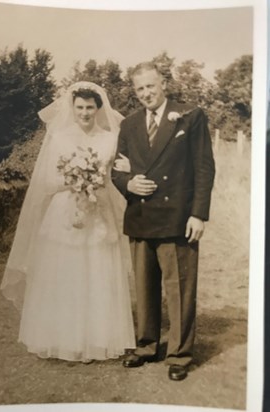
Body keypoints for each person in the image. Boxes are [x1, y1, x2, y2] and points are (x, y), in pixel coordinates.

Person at [1, 81, 135, 362]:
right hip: (65, 210)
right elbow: (48, 181)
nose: (85, 113)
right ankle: (61, 336)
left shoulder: (110, 138)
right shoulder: (60, 137)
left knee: (97, 269)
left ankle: (98, 336)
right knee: (65, 271)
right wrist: (75, 179)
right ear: (72, 109)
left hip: (99, 209)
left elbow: (116, 176)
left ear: (98, 109)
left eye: (90, 107)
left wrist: (100, 179)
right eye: (80, 107)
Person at [112, 62, 215, 380]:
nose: (146, 93)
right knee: (144, 287)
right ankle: (146, 346)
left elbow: (204, 167)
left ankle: (180, 355)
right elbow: (117, 169)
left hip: (178, 218)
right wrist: (128, 183)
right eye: (140, 88)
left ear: (163, 85)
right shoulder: (128, 124)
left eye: (150, 86)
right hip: (141, 216)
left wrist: (198, 213)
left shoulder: (190, 116)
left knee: (179, 287)